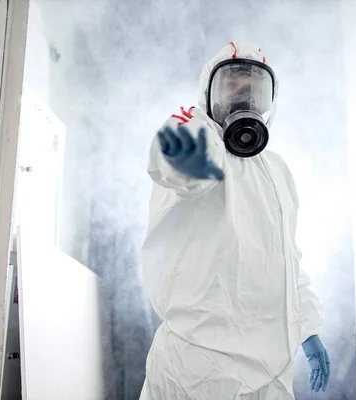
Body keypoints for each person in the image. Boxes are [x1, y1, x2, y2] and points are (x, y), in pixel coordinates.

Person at [140, 41, 330, 400]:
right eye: (232, 88)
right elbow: (178, 166)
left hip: (270, 372)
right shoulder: (196, 137)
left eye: (254, 91)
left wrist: (308, 326)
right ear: (208, 94)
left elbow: (287, 259)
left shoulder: (277, 172)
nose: (244, 100)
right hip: (195, 369)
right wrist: (200, 124)